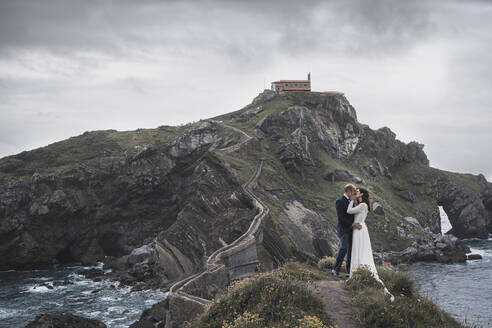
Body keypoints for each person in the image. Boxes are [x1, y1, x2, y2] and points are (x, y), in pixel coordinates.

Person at [347, 188, 395, 302]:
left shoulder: (363, 204)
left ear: (362, 194)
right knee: (359, 250)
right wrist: (354, 201)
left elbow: (349, 211)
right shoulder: (362, 204)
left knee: (358, 250)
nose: (355, 192)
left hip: (359, 229)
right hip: (361, 228)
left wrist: (351, 200)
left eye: (357, 191)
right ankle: (357, 273)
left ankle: (356, 274)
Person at [332, 184, 362, 278]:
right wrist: (352, 224)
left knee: (350, 250)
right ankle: (335, 270)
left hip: (352, 230)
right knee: (343, 248)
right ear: (348, 191)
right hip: (344, 229)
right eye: (353, 191)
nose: (354, 193)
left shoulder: (352, 201)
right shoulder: (339, 201)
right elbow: (341, 218)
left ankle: (349, 272)